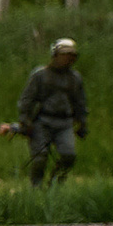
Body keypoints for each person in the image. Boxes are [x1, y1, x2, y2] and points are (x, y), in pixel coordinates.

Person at [17, 38, 88, 186]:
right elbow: (27, 99)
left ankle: (55, 185)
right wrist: (25, 120)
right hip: (42, 121)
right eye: (64, 55)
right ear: (55, 55)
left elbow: (80, 102)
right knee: (39, 158)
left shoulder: (75, 78)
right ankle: (36, 187)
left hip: (65, 123)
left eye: (71, 56)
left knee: (68, 155)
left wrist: (82, 123)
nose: (67, 59)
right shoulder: (40, 75)